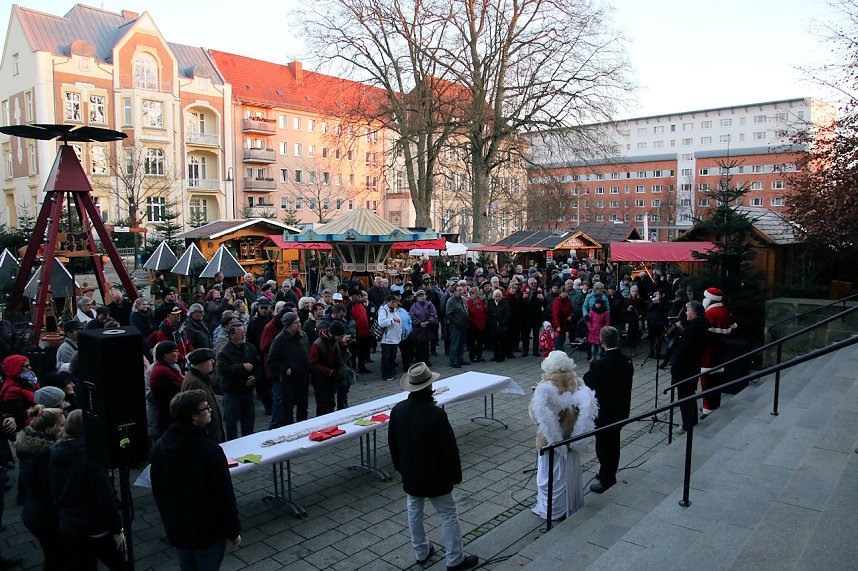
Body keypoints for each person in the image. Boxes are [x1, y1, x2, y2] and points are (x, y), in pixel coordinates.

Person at [388, 363, 479, 571]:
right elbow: (449, 449)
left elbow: (393, 443)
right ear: (429, 386)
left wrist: (399, 467)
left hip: (411, 472)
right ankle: (455, 559)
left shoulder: (398, 410)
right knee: (447, 514)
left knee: (414, 511)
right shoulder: (436, 414)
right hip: (436, 475)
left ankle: (421, 550)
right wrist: (455, 475)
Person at [151, 390, 241, 570]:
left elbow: (159, 490)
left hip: (179, 528)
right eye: (206, 408)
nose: (210, 411)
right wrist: (232, 530)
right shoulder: (209, 451)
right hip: (208, 531)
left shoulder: (160, 446)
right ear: (194, 416)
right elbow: (223, 496)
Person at [51, 409, 125, 570]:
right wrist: (117, 528)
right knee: (118, 563)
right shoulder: (91, 457)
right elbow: (106, 497)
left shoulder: (56, 451)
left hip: (69, 523)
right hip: (94, 525)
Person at [529, 351, 597, 520]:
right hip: (572, 439)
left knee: (549, 477)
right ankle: (570, 505)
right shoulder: (578, 382)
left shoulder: (545, 386)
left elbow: (535, 414)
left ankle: (552, 510)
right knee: (569, 475)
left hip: (550, 442)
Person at [583, 326, 633, 493]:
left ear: (601, 342)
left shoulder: (601, 364)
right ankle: (607, 471)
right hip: (621, 408)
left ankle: (607, 478)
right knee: (614, 443)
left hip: (605, 412)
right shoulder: (626, 360)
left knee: (604, 446)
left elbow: (588, 382)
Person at [16, 404, 65, 571]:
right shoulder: (47, 455)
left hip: (34, 512)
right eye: (62, 425)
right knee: (56, 557)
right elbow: (53, 490)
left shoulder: (30, 447)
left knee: (53, 555)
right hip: (46, 517)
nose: (64, 428)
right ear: (51, 428)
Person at [669, 300, 710, 433]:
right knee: (689, 393)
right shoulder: (699, 325)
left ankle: (687, 423)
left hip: (685, 368)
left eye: (688, 310)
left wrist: (675, 366)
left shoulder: (693, 330)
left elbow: (683, 350)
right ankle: (692, 419)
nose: (686, 312)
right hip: (692, 365)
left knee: (684, 395)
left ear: (694, 312)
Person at [217, 324, 262, 440]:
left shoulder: (249, 347)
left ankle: (248, 442)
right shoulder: (224, 352)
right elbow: (223, 370)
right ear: (232, 336)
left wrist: (255, 377)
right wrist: (241, 367)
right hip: (232, 393)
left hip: (247, 392)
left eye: (244, 332)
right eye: (240, 333)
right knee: (231, 422)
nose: (243, 335)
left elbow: (258, 365)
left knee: (248, 421)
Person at [700, 287, 738, 418]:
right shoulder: (725, 311)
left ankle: (707, 407)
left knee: (706, 379)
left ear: (710, 299)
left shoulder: (709, 313)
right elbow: (733, 326)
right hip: (721, 350)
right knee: (717, 378)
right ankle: (715, 403)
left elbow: (703, 332)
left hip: (708, 352)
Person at [267, 313, 311, 426]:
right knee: (287, 409)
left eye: (299, 322)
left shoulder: (303, 335)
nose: (299, 324)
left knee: (303, 407)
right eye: (296, 323)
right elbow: (271, 360)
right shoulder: (280, 340)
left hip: (303, 378)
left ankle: (303, 428)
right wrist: (284, 369)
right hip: (289, 381)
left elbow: (308, 351)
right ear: (288, 325)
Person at [181, 348, 225, 444]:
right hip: (207, 436)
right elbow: (196, 413)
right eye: (210, 360)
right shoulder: (194, 383)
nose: (213, 362)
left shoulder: (199, 377)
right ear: (202, 364)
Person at [308, 320, 348, 416]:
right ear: (333, 334)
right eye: (339, 336)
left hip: (330, 377)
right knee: (323, 405)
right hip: (320, 378)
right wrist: (329, 372)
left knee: (331, 402)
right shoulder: (318, 344)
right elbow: (313, 363)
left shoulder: (334, 342)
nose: (341, 338)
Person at [149, 341, 185, 442]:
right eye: (175, 351)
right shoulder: (162, 371)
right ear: (165, 354)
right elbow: (183, 385)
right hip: (168, 417)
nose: (178, 354)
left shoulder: (169, 367)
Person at [1, 355, 39, 431]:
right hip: (30, 427)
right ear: (15, 368)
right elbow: (19, 415)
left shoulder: (27, 381)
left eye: (29, 365)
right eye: (26, 366)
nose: (29, 368)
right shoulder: (11, 392)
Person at [409, 290, 438, 367]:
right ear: (417, 298)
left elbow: (434, 314)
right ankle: (418, 361)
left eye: (423, 295)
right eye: (420, 296)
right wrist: (419, 323)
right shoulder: (413, 306)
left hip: (427, 328)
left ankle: (426, 360)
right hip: (418, 329)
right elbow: (412, 317)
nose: (422, 297)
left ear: (426, 296)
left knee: (426, 346)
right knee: (418, 346)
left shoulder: (430, 305)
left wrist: (428, 322)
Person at [377, 295, 403, 381]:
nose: (394, 304)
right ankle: (385, 374)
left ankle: (391, 371)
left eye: (395, 302)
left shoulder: (395, 310)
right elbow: (381, 322)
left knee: (392, 356)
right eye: (392, 302)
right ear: (387, 302)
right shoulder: (383, 310)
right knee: (386, 357)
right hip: (387, 338)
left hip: (395, 338)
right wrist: (392, 320)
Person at [445, 285, 469, 368]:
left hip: (464, 325)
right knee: (455, 344)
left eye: (462, 290)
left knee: (462, 344)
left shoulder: (463, 299)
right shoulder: (451, 301)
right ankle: (454, 361)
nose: (461, 292)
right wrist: (456, 322)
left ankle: (460, 358)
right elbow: (448, 314)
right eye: (459, 290)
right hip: (455, 326)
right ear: (455, 291)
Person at [486, 289, 510, 362]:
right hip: (493, 326)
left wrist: (502, 322)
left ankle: (501, 356)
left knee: (502, 342)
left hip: (502, 326)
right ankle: (495, 355)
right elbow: (489, 314)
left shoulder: (505, 304)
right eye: (496, 296)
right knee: (494, 342)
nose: (498, 298)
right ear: (493, 297)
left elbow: (507, 315)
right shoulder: (491, 304)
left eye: (499, 296)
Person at [465, 287, 487, 364]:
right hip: (473, 325)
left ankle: (479, 355)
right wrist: (475, 322)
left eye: (477, 293)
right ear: (471, 294)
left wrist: (484, 321)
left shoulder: (480, 301)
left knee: (480, 342)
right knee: (472, 342)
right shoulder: (468, 302)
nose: (476, 295)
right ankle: (473, 356)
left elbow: (484, 311)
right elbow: (469, 314)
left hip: (481, 325)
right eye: (474, 293)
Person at [585, 297, 611, 361]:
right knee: (593, 346)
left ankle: (599, 357)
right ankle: (593, 357)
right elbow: (588, 320)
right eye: (596, 303)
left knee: (600, 345)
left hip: (601, 331)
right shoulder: (592, 311)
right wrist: (590, 328)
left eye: (599, 303)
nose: (597, 305)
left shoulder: (605, 312)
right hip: (593, 331)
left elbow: (607, 321)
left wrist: (605, 329)